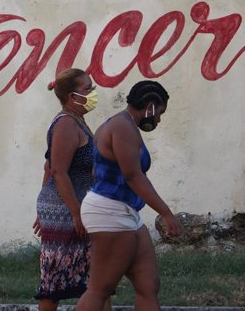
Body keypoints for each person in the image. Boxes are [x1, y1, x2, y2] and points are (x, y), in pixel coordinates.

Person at [76, 80, 183, 311]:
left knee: (149, 285)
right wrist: (165, 212)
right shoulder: (122, 127)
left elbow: (99, 170)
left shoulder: (124, 126)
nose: (159, 120)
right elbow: (133, 175)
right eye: (160, 113)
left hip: (126, 212)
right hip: (110, 211)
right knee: (100, 289)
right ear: (150, 106)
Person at [33, 68, 102, 311]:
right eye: (87, 89)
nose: (93, 93)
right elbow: (57, 171)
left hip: (73, 208)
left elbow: (47, 165)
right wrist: (75, 213)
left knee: (98, 280)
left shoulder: (77, 121)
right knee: (54, 282)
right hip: (67, 210)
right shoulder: (65, 125)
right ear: (72, 97)